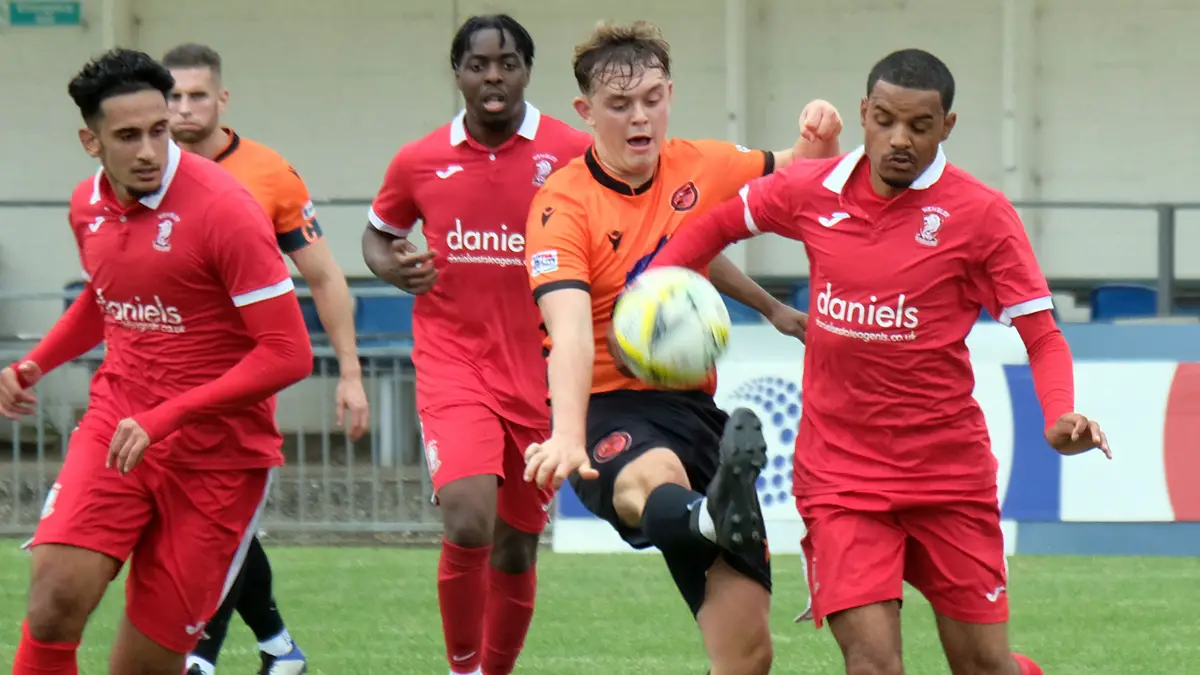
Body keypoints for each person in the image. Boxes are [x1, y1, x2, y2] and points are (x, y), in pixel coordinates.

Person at [647, 48, 1114, 675]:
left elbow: (1043, 334)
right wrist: (655, 287)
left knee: (983, 665)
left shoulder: (981, 216)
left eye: (920, 127)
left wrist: (1060, 413)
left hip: (947, 477)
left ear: (947, 126)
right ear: (864, 113)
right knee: (871, 663)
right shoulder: (814, 190)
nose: (900, 140)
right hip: (842, 479)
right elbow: (718, 223)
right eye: (886, 120)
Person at [520, 21, 841, 675]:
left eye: (652, 99)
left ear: (670, 94)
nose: (640, 118)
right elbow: (572, 329)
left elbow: (807, 173)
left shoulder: (701, 165)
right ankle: (701, 513)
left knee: (748, 653)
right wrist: (568, 434)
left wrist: (823, 138)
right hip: (607, 404)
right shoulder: (561, 207)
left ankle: (709, 510)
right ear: (584, 112)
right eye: (619, 105)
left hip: (696, 409)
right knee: (654, 473)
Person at [0, 48, 313, 675]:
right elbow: (106, 294)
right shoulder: (85, 206)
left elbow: (289, 352)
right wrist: (35, 363)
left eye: (158, 130)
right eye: (127, 136)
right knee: (54, 601)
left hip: (217, 459)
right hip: (118, 427)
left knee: (141, 667)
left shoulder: (224, 209)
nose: (148, 150)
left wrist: (170, 414)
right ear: (91, 141)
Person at [360, 15, 592, 675]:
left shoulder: (572, 152)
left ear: (526, 69)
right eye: (479, 64)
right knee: (468, 519)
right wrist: (392, 266)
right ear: (458, 71)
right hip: (453, 361)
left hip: (541, 373)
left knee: (516, 548)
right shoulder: (419, 159)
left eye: (508, 62)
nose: (493, 76)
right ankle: (461, 670)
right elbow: (378, 234)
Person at [162, 41, 368, 675]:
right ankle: (280, 648)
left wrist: (351, 374)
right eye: (173, 96)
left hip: (239, 375)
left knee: (215, 515)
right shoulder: (142, 167)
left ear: (222, 99)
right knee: (202, 518)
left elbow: (326, 278)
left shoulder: (269, 173)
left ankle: (201, 655)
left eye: (197, 95)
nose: (184, 108)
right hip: (159, 373)